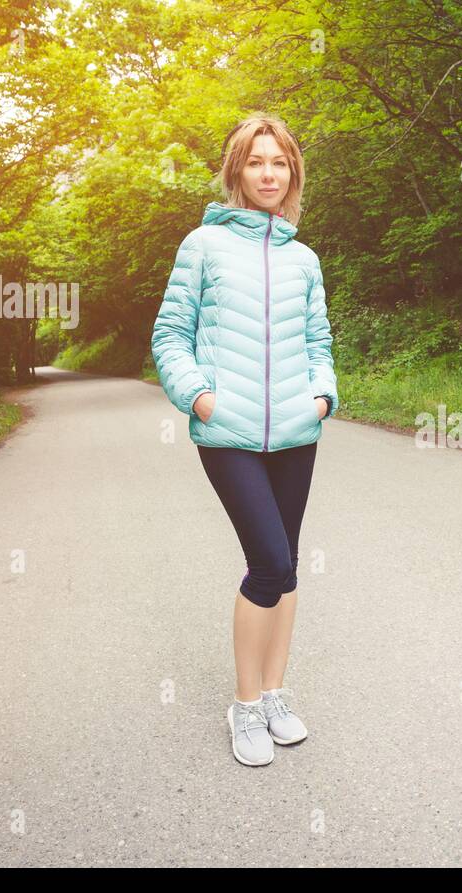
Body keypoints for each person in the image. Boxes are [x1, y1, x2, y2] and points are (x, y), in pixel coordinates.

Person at [151, 113, 339, 767]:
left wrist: (322, 395)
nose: (267, 172)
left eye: (279, 162)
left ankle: (277, 693)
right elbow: (170, 334)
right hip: (227, 432)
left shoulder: (304, 258)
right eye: (256, 161)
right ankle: (244, 703)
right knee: (269, 563)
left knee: (286, 566)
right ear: (237, 171)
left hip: (296, 431)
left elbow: (319, 342)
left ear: (292, 173)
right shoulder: (202, 246)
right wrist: (200, 395)